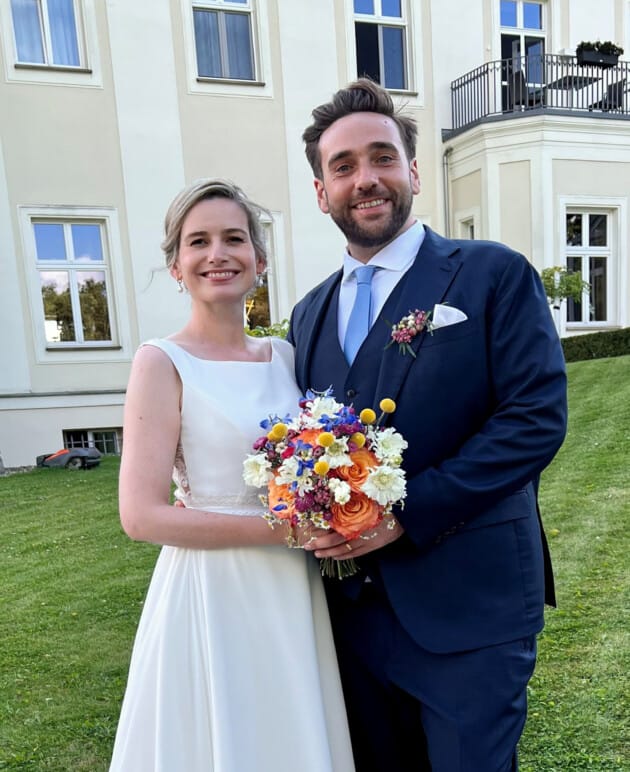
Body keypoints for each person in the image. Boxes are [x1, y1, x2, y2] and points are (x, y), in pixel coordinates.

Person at [287, 78, 568, 772]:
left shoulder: (492, 275)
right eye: (343, 166)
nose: (366, 179)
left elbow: (534, 420)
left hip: (470, 609)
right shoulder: (308, 314)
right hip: (349, 619)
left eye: (382, 157)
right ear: (322, 192)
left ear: (412, 171)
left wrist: (407, 514)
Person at [109, 179, 354, 772]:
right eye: (198, 242)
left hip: (292, 589)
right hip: (213, 589)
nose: (217, 254)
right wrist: (284, 530)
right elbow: (140, 516)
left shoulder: (285, 357)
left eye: (233, 239)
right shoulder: (161, 362)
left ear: (260, 260)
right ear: (176, 265)